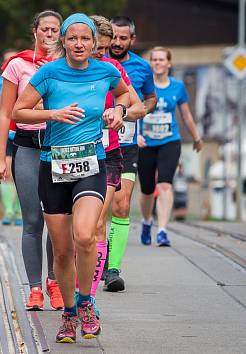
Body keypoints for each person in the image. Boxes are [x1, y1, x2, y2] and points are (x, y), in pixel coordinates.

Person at [13, 13, 129, 343]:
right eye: (72, 38)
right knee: (62, 251)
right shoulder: (49, 72)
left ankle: (87, 302)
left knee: (86, 234)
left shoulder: (106, 70)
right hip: (55, 165)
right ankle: (68, 313)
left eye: (85, 39)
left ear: (94, 43)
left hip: (92, 161)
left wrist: (117, 112)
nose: (79, 44)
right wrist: (53, 114)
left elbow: (126, 97)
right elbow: (18, 112)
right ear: (63, 41)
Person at [0, 9, 64, 312]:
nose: (49, 35)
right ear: (34, 31)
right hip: (27, 146)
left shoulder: (67, 65)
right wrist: (0, 158)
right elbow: (5, 114)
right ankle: (35, 287)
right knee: (33, 220)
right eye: (44, 29)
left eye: (55, 30)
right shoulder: (17, 65)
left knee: (57, 219)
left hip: (60, 147)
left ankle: (55, 281)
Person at [87, 15, 147, 301]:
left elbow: (140, 106)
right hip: (77, 152)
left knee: (115, 210)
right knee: (86, 223)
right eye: (96, 48)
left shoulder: (117, 69)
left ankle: (107, 273)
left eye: (103, 48)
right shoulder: (63, 68)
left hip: (118, 148)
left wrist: (119, 112)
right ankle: (76, 273)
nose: (101, 53)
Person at [103, 16, 158, 292]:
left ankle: (113, 269)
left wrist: (131, 112)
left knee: (121, 206)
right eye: (113, 37)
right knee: (98, 209)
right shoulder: (93, 64)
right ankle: (97, 257)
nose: (116, 42)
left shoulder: (140, 67)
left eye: (123, 38)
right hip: (94, 146)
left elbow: (149, 100)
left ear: (131, 40)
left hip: (125, 144)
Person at [138, 47, 203, 246]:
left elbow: (186, 115)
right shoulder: (141, 86)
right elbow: (132, 109)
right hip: (145, 143)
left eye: (161, 59)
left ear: (169, 63)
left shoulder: (177, 86)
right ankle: (147, 221)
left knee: (165, 184)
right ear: (150, 63)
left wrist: (196, 137)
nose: (157, 63)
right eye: (154, 60)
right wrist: (136, 135)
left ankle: (163, 230)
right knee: (147, 189)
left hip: (170, 141)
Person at [0, 50, 22, 225]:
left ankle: (18, 210)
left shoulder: (26, 74)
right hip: (6, 132)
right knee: (7, 172)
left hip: (22, 131)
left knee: (21, 175)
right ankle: (9, 211)